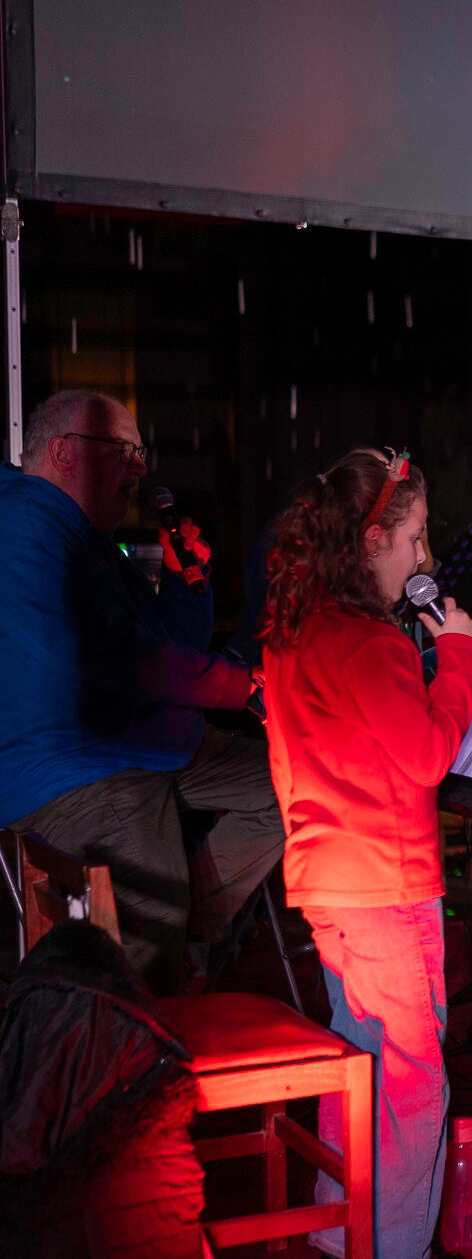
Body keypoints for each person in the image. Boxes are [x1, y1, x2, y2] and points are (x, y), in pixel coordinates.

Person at [259, 447, 472, 1259]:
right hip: (386, 884)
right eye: (416, 538)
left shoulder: (299, 626)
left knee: (361, 1061)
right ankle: (394, 1255)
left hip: (328, 881)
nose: (425, 558)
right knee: (413, 1073)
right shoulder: (371, 642)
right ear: (372, 539)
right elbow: (427, 755)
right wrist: (457, 660)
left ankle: (340, 1232)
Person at [0, 391, 281, 991]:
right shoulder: (24, 525)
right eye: (123, 451)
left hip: (145, 742)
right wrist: (243, 687)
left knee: (292, 784)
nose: (141, 468)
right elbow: (115, 657)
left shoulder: (90, 540)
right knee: (151, 922)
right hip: (78, 765)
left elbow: (167, 646)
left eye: (140, 452)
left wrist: (183, 584)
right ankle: (136, 1022)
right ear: (64, 452)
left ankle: (189, 942)